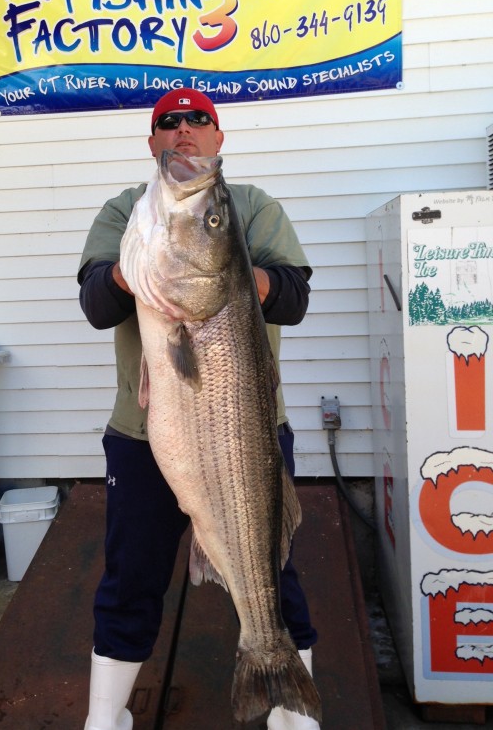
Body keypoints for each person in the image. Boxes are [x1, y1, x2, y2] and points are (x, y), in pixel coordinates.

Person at [78, 88, 319, 730]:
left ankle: (291, 705)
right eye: (169, 123)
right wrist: (145, 268)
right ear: (152, 141)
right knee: (131, 576)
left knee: (272, 566)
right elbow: (98, 305)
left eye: (197, 121)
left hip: (248, 433)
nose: (183, 132)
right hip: (141, 434)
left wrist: (230, 270)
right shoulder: (127, 211)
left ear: (218, 138)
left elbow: (293, 296)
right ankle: (106, 716)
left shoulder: (253, 208)